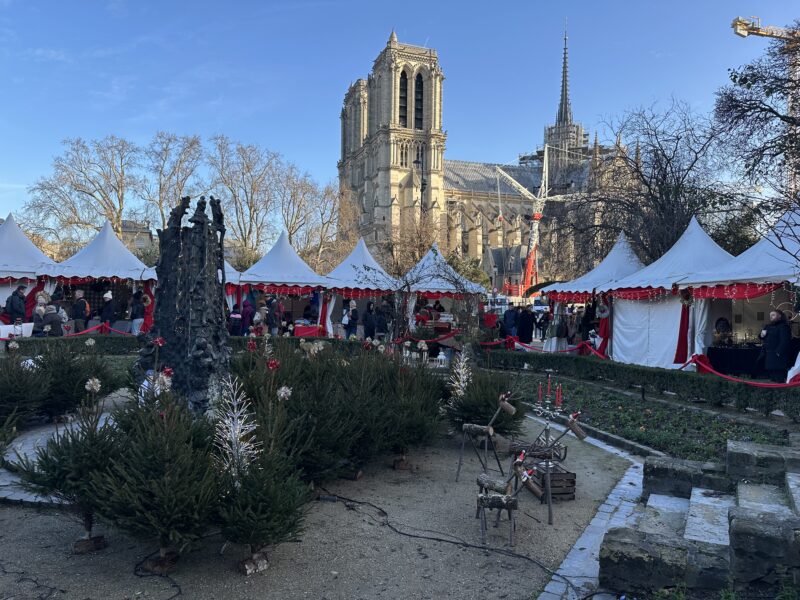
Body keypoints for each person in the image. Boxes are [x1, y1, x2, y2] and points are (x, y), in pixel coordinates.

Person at [759, 310, 792, 382]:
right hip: (768, 355)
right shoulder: (767, 326)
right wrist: (761, 335)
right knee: (772, 377)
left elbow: (785, 341)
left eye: (773, 315)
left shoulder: (784, 326)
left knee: (779, 377)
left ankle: (781, 391)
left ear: (779, 316)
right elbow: (761, 336)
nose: (771, 316)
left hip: (778, 356)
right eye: (770, 315)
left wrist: (778, 352)